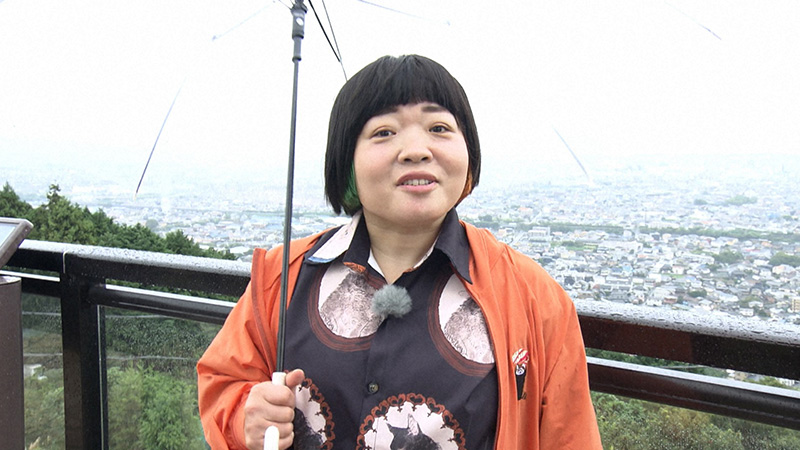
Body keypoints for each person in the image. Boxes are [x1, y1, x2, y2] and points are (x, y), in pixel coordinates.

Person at [197, 54, 603, 450]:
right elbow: (224, 382)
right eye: (384, 132)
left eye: (439, 128)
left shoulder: (532, 298)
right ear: (346, 161)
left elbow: (569, 435)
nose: (415, 150)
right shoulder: (283, 277)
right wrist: (245, 416)